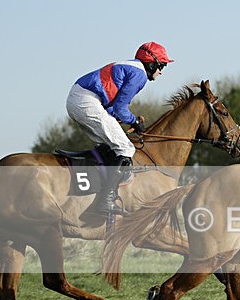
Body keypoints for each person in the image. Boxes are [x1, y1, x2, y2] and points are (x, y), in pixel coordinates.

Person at [66, 41, 174, 215]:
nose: (161, 71)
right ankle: (105, 200)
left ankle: (96, 189)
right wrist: (135, 122)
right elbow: (120, 109)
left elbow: (113, 106)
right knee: (125, 148)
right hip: (86, 101)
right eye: (161, 66)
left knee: (112, 145)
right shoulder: (139, 75)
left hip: (81, 99)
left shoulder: (132, 68)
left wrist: (121, 120)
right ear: (152, 63)